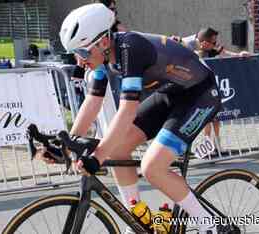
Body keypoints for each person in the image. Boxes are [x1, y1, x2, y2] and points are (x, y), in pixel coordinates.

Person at [40, 3, 221, 233]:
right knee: (116, 149)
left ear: (103, 41)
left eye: (83, 52)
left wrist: (97, 157)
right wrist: (68, 145)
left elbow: (127, 110)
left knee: (152, 167)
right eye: (74, 54)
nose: (79, 61)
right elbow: (93, 102)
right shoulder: (102, 59)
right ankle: (138, 220)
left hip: (200, 95)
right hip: (171, 93)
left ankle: (210, 226)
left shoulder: (130, 48)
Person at [181, 27, 250, 155]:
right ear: (204, 43)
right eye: (213, 43)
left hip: (208, 85)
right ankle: (204, 147)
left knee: (215, 116)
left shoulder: (210, 44)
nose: (215, 45)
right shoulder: (186, 44)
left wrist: (238, 55)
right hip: (193, 87)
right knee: (205, 118)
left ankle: (217, 144)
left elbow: (223, 52)